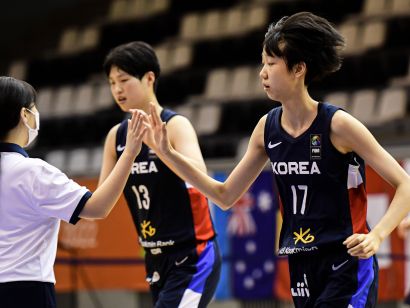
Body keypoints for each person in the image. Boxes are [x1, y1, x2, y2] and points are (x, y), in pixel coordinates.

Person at [142, 12, 410, 308]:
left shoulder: (338, 125)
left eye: (271, 63)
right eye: (262, 63)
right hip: (302, 265)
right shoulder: (266, 128)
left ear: (298, 69)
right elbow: (224, 195)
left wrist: (377, 235)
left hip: (347, 260)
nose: (262, 72)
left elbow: (404, 184)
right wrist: (167, 152)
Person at [0, 76, 146, 308]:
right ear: (24, 115)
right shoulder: (33, 172)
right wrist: (129, 153)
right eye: (33, 107)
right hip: (26, 289)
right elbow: (97, 208)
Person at [99, 41, 221, 307]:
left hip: (193, 254)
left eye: (123, 80)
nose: (117, 89)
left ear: (149, 78)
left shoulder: (176, 125)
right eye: (111, 83)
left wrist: (161, 149)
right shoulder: (116, 137)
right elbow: (101, 201)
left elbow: (200, 176)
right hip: (154, 257)